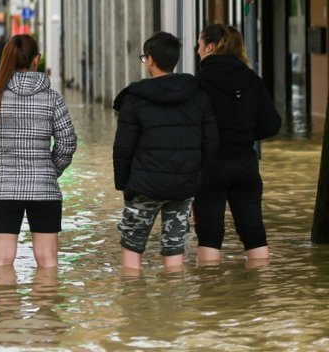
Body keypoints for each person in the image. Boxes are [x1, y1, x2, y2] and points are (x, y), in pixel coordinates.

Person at [113, 32, 219, 273]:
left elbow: (122, 147)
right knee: (174, 247)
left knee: (132, 247)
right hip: (184, 184)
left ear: (150, 60)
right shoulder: (197, 95)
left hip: (143, 185)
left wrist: (124, 184)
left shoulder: (135, 98)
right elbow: (211, 142)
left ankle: (133, 301)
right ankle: (173, 302)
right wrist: (199, 179)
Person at [0, 34, 77, 268]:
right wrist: (51, 171)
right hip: (45, 190)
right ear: (36, 59)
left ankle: (6, 304)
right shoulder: (53, 98)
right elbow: (67, 143)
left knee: (1, 262)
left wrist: (0, 170)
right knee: (48, 262)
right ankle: (45, 304)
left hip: (5, 190)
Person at [193, 24, 281, 265]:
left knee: (209, 234)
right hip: (245, 164)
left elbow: (192, 124)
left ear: (210, 47)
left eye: (199, 45)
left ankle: (210, 292)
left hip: (211, 166)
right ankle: (259, 291)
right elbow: (272, 124)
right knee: (254, 232)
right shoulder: (253, 80)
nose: (198, 50)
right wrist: (246, 134)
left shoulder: (200, 81)